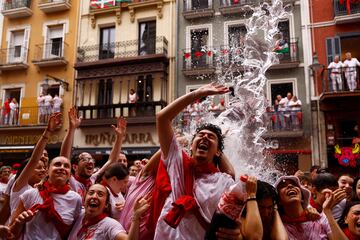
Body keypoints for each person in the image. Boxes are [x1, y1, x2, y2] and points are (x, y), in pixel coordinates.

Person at [154, 83, 237, 239]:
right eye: (200, 135)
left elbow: (235, 218)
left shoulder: (224, 181)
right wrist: (197, 93)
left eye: (211, 137)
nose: (205, 137)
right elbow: (162, 118)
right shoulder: (177, 163)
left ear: (218, 152)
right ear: (190, 147)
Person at [61, 107, 127, 201]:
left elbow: (112, 160)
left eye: (91, 159)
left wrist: (119, 137)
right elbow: (64, 158)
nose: (90, 162)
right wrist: (72, 129)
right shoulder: (70, 180)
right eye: (85, 159)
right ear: (75, 167)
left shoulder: (93, 179)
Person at [9, 156, 82, 239]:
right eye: (57, 164)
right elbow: (10, 234)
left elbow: (73, 234)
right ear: (47, 171)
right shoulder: (29, 195)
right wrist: (19, 222)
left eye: (66, 166)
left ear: (70, 174)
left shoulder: (76, 199)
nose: (62, 168)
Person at [275, 175, 348, 240]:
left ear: (302, 197)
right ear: (278, 201)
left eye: (294, 185)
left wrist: (327, 210)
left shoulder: (320, 219)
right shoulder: (279, 226)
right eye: (283, 186)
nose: (290, 186)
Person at [68, 184, 150, 240]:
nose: (94, 196)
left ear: (106, 204)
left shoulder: (110, 225)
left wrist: (136, 216)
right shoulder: (78, 214)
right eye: (91, 193)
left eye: (100, 194)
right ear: (84, 198)